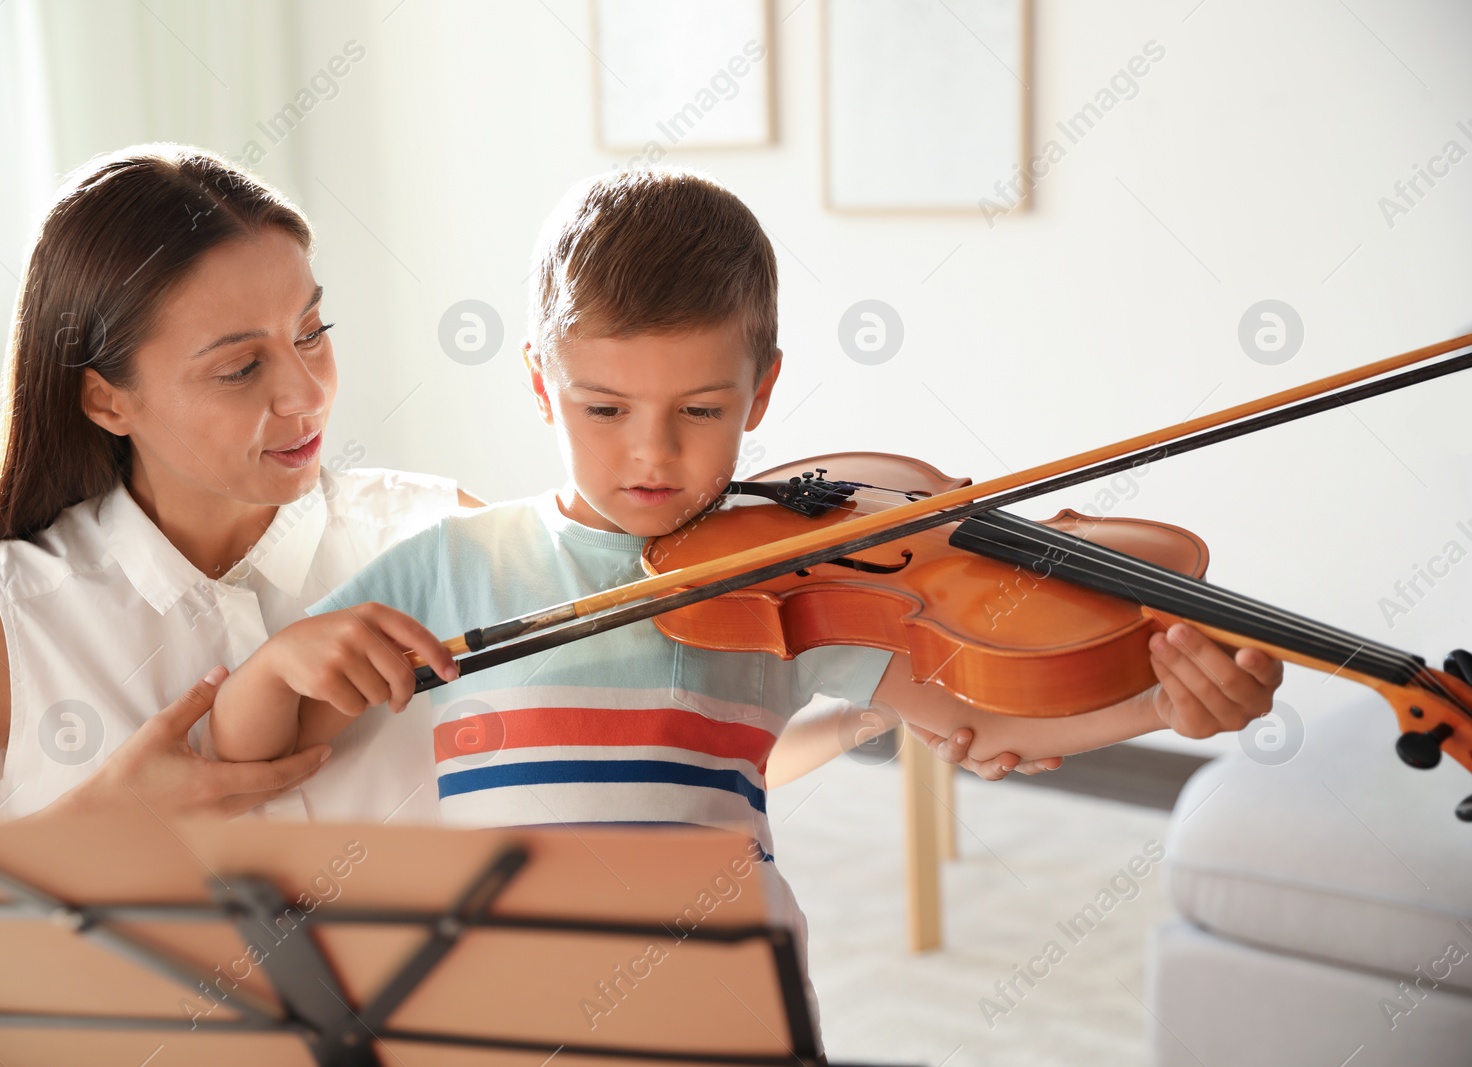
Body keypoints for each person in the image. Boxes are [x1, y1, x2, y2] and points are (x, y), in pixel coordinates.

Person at [207, 169, 1282, 849]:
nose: (652, 452)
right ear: (539, 381)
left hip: (727, 991)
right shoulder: (447, 561)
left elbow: (974, 716)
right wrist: (274, 666)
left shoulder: (787, 582)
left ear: (762, 391)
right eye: (604, 405)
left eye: (701, 408)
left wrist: (1161, 708)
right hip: (510, 994)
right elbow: (258, 750)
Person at [0, 145, 476, 821]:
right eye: (241, 367)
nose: (305, 393)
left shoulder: (445, 539)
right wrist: (99, 824)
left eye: (311, 332)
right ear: (107, 402)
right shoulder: (2, 617)